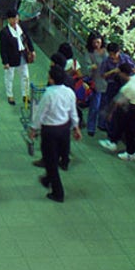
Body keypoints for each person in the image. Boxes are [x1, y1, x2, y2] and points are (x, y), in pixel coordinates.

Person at [29, 65, 82, 203]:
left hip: (50, 131)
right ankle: (47, 179)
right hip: (64, 129)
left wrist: (34, 129)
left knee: (50, 160)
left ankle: (58, 192)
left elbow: (41, 114)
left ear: (51, 79)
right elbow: (73, 111)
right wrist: (76, 127)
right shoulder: (69, 92)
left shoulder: (48, 94)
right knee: (57, 155)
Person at [100, 63, 135, 161]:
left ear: (122, 74)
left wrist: (110, 113)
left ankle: (130, 153)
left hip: (134, 108)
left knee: (130, 130)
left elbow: (117, 102)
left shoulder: (127, 88)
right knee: (126, 125)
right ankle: (115, 142)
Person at [98, 42, 135, 133]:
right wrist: (112, 72)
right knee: (110, 104)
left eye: (114, 54)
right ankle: (107, 126)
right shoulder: (106, 62)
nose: (112, 56)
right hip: (112, 84)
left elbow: (133, 68)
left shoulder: (125, 58)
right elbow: (102, 75)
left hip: (125, 84)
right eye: (110, 54)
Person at [0, 10, 34, 106]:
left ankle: (25, 94)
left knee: (25, 76)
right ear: (9, 19)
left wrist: (32, 50)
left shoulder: (21, 27)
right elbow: (3, 48)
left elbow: (28, 39)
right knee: (9, 76)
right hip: (11, 57)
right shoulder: (4, 32)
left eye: (16, 18)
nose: (15, 21)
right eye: (13, 19)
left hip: (22, 54)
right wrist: (5, 62)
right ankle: (10, 95)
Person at [84, 32, 108, 136]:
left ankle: (102, 124)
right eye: (94, 42)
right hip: (96, 82)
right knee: (94, 106)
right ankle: (91, 127)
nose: (96, 44)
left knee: (104, 106)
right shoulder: (90, 53)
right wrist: (92, 67)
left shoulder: (106, 51)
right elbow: (88, 66)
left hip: (106, 82)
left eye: (98, 42)